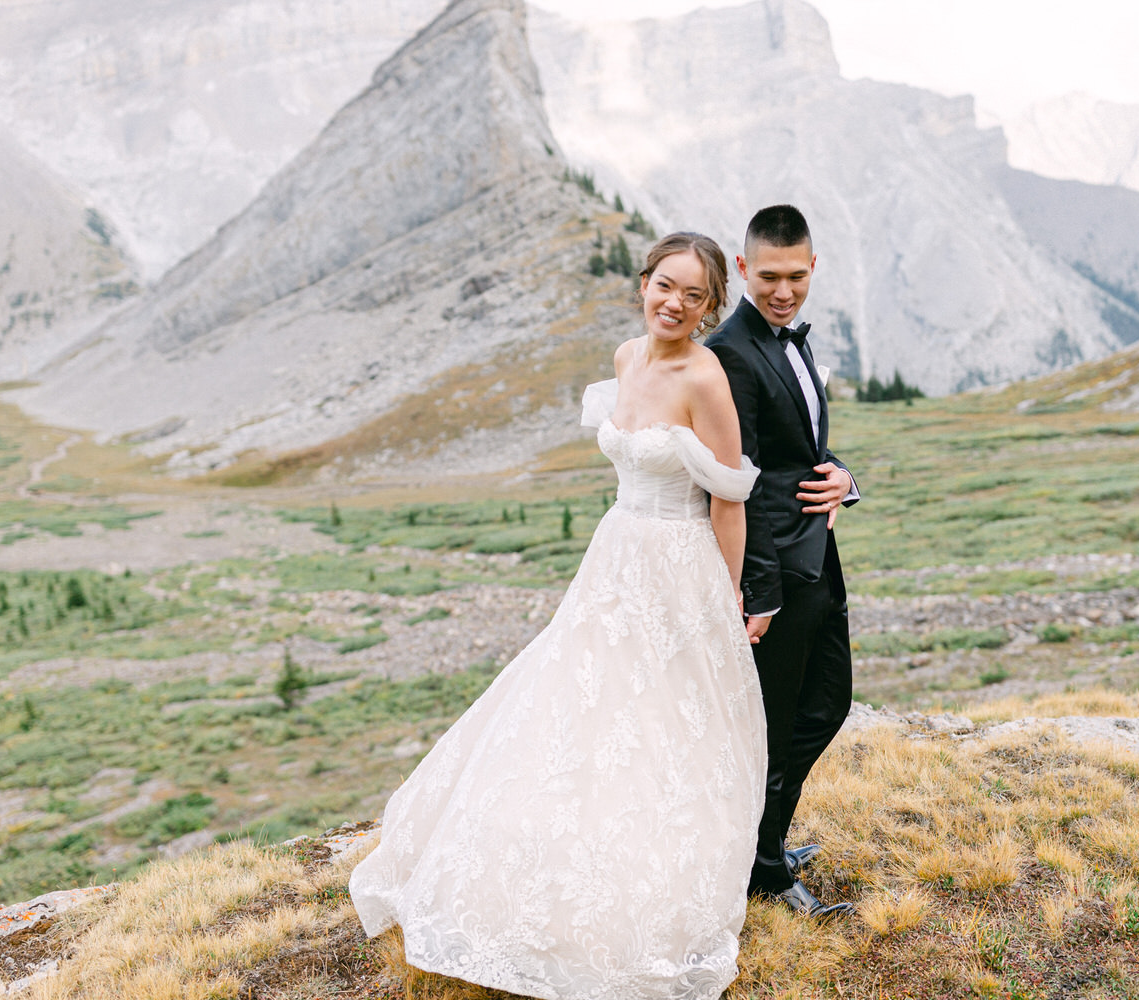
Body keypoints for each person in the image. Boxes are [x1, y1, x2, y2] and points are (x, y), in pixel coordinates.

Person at [350, 232, 768, 1000]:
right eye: (664, 286)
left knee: (666, 719)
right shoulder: (623, 359)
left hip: (681, 563)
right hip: (617, 557)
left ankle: (654, 880)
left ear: (710, 309)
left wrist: (726, 595)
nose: (674, 304)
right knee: (583, 704)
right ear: (643, 284)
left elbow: (730, 498)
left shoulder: (704, 378)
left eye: (694, 296)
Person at [706, 205, 857, 919]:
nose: (784, 291)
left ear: (813, 267)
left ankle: (759, 841)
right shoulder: (732, 349)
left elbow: (804, 452)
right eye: (769, 277)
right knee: (778, 717)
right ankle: (762, 863)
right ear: (743, 270)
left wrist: (846, 481)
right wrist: (757, 592)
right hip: (778, 580)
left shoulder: (790, 340)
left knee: (828, 702)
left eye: (797, 276)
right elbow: (743, 478)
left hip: (817, 560)